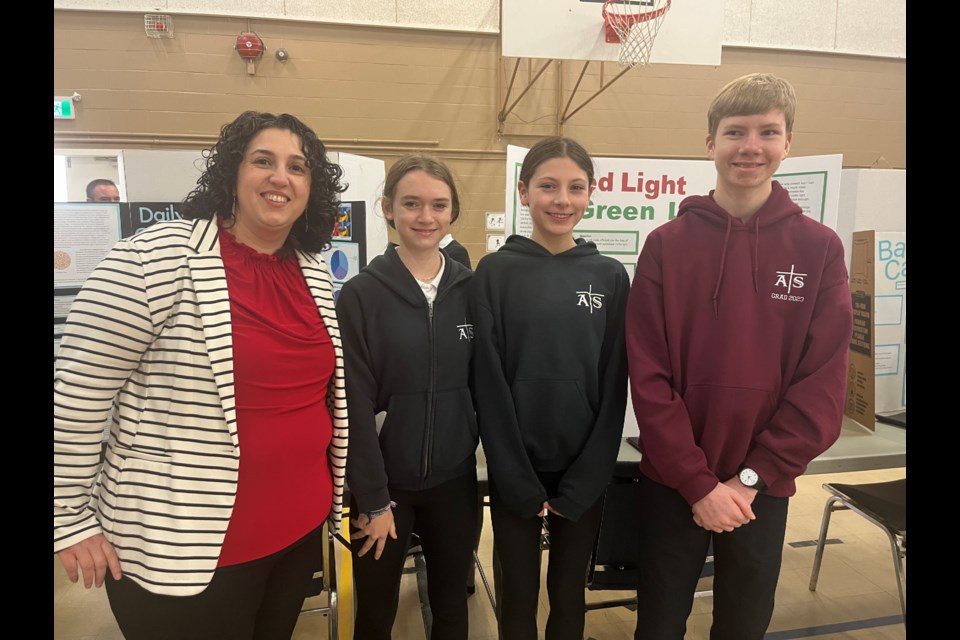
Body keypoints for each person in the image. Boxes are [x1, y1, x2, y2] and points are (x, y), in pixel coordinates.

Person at [54, 111, 349, 640]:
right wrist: (67, 518)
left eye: (297, 167)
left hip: (297, 530)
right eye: (263, 161)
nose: (280, 177)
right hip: (182, 548)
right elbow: (75, 393)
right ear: (232, 174)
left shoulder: (310, 271)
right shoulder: (156, 258)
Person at [626, 73, 854, 639]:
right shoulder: (665, 245)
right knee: (657, 622)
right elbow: (648, 376)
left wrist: (751, 478)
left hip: (761, 487)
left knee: (743, 623)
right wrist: (698, 484)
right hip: (674, 482)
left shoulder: (820, 249)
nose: (750, 146)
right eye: (735, 132)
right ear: (710, 143)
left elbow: (822, 382)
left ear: (787, 143)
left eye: (766, 132)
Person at [471, 136, 629, 640]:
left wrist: (588, 477)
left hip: (582, 470)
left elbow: (613, 381)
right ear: (523, 192)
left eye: (575, 187)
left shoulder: (609, 276)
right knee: (516, 593)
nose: (562, 200)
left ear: (590, 195)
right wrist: (514, 476)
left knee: (567, 596)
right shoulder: (495, 272)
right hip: (515, 467)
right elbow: (488, 383)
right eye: (548, 186)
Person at [337, 154, 478, 640]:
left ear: (453, 212)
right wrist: (373, 500)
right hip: (385, 490)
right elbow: (353, 402)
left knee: (452, 610)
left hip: (456, 483)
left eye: (438, 205)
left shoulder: (472, 291)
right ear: (388, 209)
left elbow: (485, 386)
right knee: (376, 612)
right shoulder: (360, 296)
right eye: (412, 203)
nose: (425, 216)